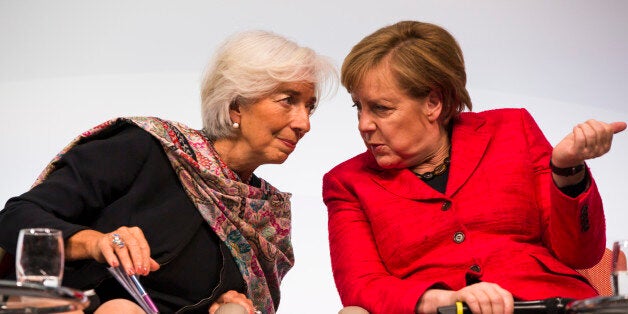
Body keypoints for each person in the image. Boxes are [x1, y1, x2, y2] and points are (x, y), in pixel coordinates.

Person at [0, 30, 336, 314]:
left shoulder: (264, 218)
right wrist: (94, 242)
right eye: (288, 100)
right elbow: (17, 217)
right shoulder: (146, 147)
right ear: (236, 106)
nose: (303, 123)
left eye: (310, 106)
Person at [322, 20, 626, 314]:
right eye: (358, 106)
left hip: (550, 303)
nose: (364, 124)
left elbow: (580, 254)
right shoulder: (347, 182)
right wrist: (445, 298)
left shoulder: (512, 129)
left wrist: (567, 170)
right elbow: (361, 285)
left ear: (433, 103)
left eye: (381, 108)